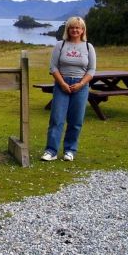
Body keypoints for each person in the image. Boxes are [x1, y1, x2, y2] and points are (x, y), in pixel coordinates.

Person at [41, 16, 96, 162]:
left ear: (83, 30)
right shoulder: (61, 45)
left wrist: (81, 84)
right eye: (72, 27)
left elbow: (91, 70)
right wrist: (63, 84)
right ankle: (51, 151)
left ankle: (70, 150)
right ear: (68, 29)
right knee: (56, 118)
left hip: (81, 86)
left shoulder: (88, 47)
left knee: (76, 120)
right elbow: (53, 67)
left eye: (78, 27)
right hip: (62, 84)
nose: (75, 30)